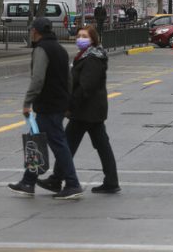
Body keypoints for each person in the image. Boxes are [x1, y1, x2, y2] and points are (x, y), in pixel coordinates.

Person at [37, 25, 120, 195]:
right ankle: (110, 181)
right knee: (99, 145)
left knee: (68, 144)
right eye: (79, 35)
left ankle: (58, 179)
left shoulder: (92, 58)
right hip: (89, 110)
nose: (80, 39)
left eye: (85, 36)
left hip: (86, 110)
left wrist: (70, 106)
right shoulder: (85, 56)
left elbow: (86, 86)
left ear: (93, 40)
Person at [8, 17, 83, 200]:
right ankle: (28, 181)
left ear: (37, 31)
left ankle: (73, 183)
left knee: (57, 144)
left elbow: (38, 78)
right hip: (57, 104)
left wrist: (27, 102)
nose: (31, 33)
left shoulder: (41, 49)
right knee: (38, 142)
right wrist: (67, 101)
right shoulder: (60, 50)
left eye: (32, 30)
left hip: (47, 105)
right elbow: (69, 79)